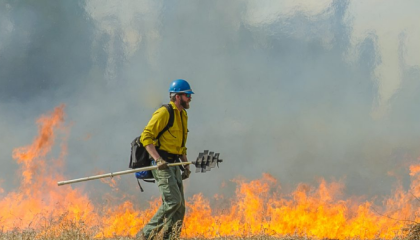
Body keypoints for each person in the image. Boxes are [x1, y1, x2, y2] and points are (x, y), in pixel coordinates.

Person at [137, 79, 193, 240]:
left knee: (180, 207)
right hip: (162, 165)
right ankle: (144, 236)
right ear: (177, 96)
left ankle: (170, 238)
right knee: (172, 202)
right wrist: (158, 159)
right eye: (187, 95)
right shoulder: (164, 112)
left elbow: (180, 144)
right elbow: (146, 137)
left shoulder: (183, 115)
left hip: (174, 164)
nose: (190, 98)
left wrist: (186, 164)